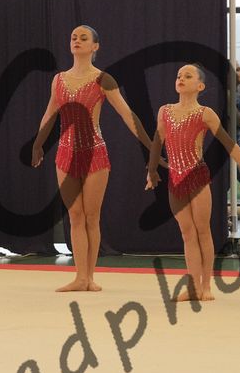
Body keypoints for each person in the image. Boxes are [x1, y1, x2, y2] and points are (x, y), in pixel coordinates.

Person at [32, 25, 152, 292]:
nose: (77, 40)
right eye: (73, 37)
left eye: (83, 38)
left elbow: (127, 114)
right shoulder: (59, 80)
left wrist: (150, 146)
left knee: (91, 216)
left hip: (94, 153)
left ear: (95, 46)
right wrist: (38, 144)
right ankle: (80, 277)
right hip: (65, 153)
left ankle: (90, 276)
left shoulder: (103, 79)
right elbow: (49, 114)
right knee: (74, 216)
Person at [146, 64, 240, 302]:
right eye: (179, 75)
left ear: (200, 86)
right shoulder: (165, 111)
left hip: (197, 176)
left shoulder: (205, 113)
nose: (181, 78)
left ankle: (206, 285)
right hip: (175, 179)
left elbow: (229, 143)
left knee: (202, 230)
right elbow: (157, 141)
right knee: (187, 233)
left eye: (187, 76)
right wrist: (152, 170)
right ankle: (193, 286)